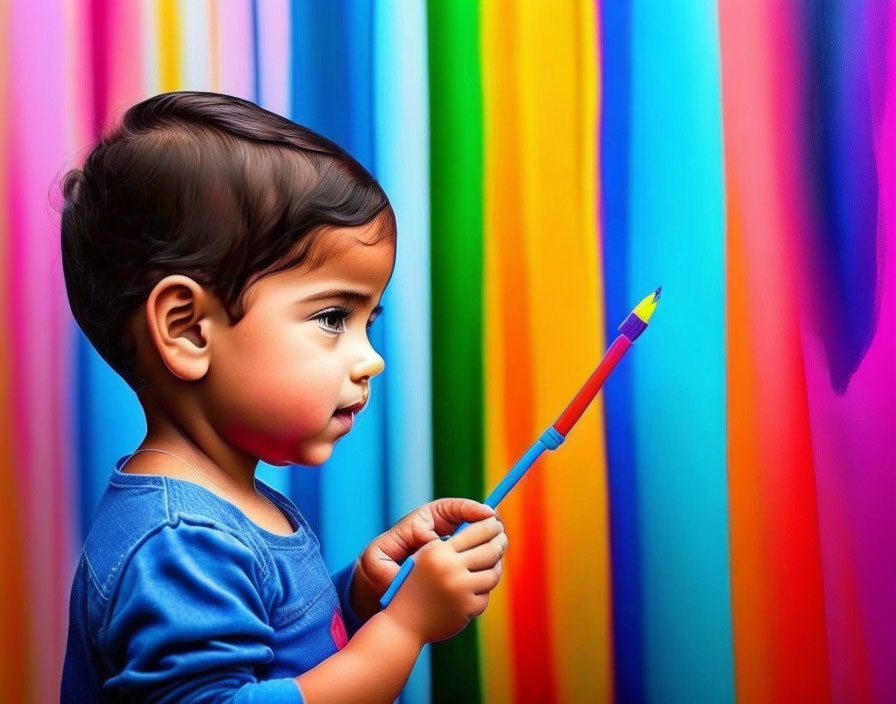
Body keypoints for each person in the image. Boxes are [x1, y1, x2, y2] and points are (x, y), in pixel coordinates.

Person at [59, 91, 508, 703]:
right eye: (332, 316)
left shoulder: (225, 509)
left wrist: (361, 598)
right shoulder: (181, 541)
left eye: (368, 322)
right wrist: (405, 628)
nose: (371, 357)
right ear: (189, 329)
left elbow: (280, 664)